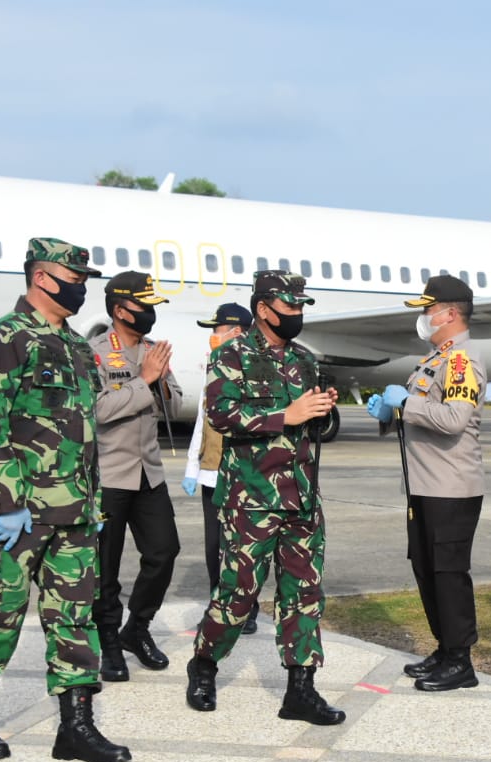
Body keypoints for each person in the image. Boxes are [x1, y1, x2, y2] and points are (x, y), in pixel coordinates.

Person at [0, 237, 131, 762]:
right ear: (43, 278)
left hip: (73, 509)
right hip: (18, 513)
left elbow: (82, 431)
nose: (82, 287)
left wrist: (91, 505)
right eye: (75, 278)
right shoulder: (5, 339)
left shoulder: (74, 346)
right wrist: (6, 503)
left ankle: (75, 727)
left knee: (73, 615)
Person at [185, 271, 346, 726]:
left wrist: (319, 410)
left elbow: (307, 424)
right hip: (253, 499)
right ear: (263, 309)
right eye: (289, 308)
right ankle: (204, 664)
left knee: (304, 594)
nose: (296, 316)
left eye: (300, 308)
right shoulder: (232, 355)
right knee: (239, 594)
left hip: (302, 499)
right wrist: (285, 414)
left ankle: (300, 689)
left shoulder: (304, 359)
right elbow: (220, 414)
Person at [366, 274, 486, 692]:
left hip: (451, 487)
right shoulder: (435, 359)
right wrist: (388, 412)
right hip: (425, 485)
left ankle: (460, 660)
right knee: (426, 568)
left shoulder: (459, 362)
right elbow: (420, 415)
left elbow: (453, 420)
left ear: (450, 313)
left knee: (449, 573)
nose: (424, 317)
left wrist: (408, 402)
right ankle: (446, 647)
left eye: (428, 310)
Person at [90, 271, 183, 682]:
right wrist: (143, 380)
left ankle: (137, 628)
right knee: (104, 568)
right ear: (119, 310)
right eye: (143, 307)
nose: (150, 314)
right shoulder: (93, 353)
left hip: (149, 473)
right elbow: (97, 412)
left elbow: (175, 408)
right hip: (109, 475)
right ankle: (108, 640)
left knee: (164, 552)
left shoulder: (153, 352)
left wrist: (161, 381)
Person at [181, 302, 260, 632]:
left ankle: (246, 609)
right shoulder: (215, 365)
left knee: (242, 546)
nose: (213, 336)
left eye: (217, 330)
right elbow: (203, 418)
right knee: (214, 545)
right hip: (211, 471)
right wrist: (190, 466)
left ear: (236, 332)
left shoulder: (256, 367)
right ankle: (218, 605)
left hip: (242, 474)